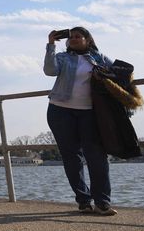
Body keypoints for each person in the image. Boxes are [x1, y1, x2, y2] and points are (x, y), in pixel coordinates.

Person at [45, 27, 117, 216]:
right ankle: (84, 201)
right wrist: (51, 45)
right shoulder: (62, 58)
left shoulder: (98, 57)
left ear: (88, 39)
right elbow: (49, 70)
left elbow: (117, 73)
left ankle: (102, 202)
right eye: (72, 37)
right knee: (72, 157)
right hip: (60, 111)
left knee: (97, 156)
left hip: (90, 113)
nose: (75, 39)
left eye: (79, 36)